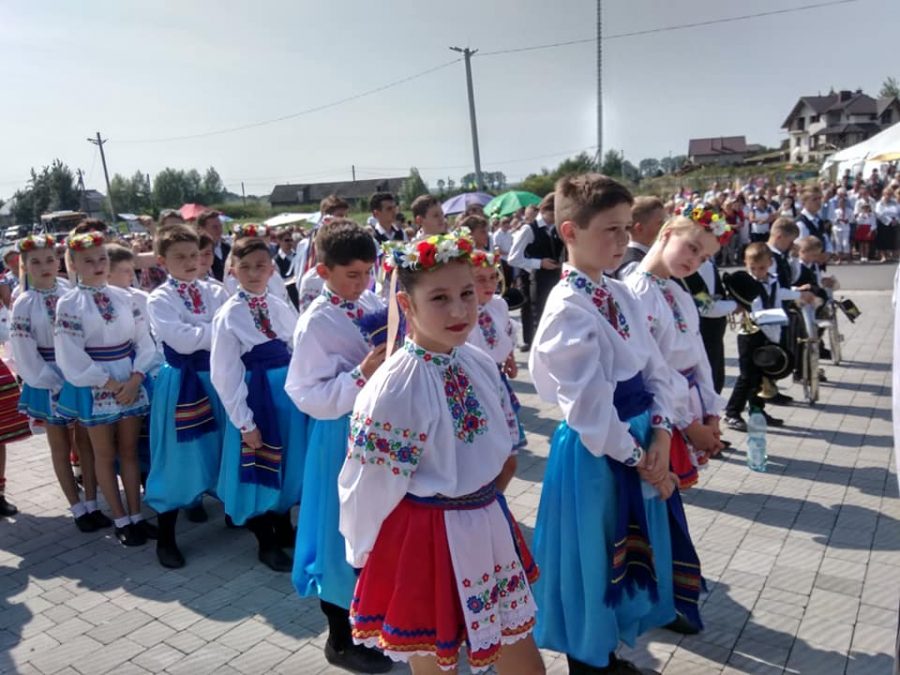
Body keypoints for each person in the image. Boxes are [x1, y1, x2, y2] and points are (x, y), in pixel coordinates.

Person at [338, 229, 544, 675]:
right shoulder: (396, 386)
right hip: (426, 538)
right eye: (439, 298)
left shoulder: (476, 360)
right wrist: (364, 555)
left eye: (467, 293)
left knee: (524, 663)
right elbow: (367, 483)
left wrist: (488, 501)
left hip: (484, 521)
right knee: (438, 665)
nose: (459, 310)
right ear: (406, 305)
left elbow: (501, 448)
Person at [530, 174, 690, 674]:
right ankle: (590, 661)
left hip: (639, 438)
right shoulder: (568, 308)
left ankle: (609, 652)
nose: (622, 242)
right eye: (610, 231)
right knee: (595, 559)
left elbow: (656, 369)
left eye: (626, 230)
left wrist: (662, 432)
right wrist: (642, 459)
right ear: (570, 231)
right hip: (599, 451)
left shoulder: (618, 292)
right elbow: (588, 409)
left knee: (631, 546)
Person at [285, 219, 391, 673]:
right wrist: (362, 373)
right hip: (338, 436)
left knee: (373, 529)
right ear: (323, 272)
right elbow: (306, 394)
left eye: (368, 272)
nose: (363, 282)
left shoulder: (366, 302)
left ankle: (374, 619)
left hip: (373, 431)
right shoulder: (315, 323)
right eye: (352, 274)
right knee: (337, 532)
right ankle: (339, 638)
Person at [54, 230, 158, 546]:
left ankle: (137, 515)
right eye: (89, 261)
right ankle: (120, 518)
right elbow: (70, 354)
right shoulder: (69, 304)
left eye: (101, 259)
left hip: (130, 379)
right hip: (98, 384)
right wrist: (111, 384)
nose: (98, 265)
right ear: (72, 264)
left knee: (128, 451)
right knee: (104, 453)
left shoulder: (125, 297)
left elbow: (144, 340)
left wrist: (136, 378)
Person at [210, 235, 304, 572]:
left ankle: (284, 525)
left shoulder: (278, 304)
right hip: (256, 396)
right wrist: (244, 421)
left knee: (288, 463)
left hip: (286, 398)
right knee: (258, 464)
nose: (254, 273)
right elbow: (224, 373)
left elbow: (295, 344)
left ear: (271, 268)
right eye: (245, 266)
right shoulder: (228, 315)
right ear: (232, 270)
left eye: (261, 265)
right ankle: (265, 541)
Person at [144, 224, 230, 569]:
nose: (190, 262)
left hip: (219, 378)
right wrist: (217, 333)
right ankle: (166, 536)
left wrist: (207, 334)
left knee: (224, 444)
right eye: (180, 256)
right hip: (183, 383)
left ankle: (235, 510)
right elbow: (180, 340)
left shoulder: (216, 290)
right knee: (179, 456)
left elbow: (230, 327)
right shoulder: (159, 297)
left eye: (194, 254)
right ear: (163, 261)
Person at [626, 211, 728, 493]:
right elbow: (651, 367)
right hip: (661, 408)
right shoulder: (637, 292)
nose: (694, 261)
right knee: (658, 492)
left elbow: (699, 356)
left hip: (688, 403)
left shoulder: (678, 292)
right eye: (693, 249)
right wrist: (690, 424)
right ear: (667, 234)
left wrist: (711, 412)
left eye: (704, 258)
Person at [722, 244, 813, 431]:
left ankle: (757, 411)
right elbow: (749, 307)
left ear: (770, 264)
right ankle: (732, 412)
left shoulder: (774, 280)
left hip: (770, 331)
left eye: (761, 268)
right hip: (751, 334)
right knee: (747, 377)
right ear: (746, 264)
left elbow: (780, 293)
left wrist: (799, 294)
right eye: (752, 268)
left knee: (761, 376)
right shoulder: (747, 284)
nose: (757, 272)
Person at [467, 249, 525, 488]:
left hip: (496, 382)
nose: (490, 284)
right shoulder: (462, 310)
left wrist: (509, 357)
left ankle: (495, 505)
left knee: (508, 460)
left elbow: (506, 332)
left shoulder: (499, 305)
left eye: (493, 277)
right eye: (481, 279)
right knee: (486, 459)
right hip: (472, 387)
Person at [508, 193, 563, 351]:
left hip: (557, 277)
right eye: (555, 213)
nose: (556, 217)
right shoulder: (529, 229)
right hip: (538, 278)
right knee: (538, 316)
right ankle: (536, 349)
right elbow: (513, 258)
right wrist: (539, 263)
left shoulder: (557, 228)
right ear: (545, 210)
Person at [615, 196, 666, 280]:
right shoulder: (634, 265)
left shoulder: (650, 255)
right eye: (660, 223)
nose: (665, 227)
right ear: (639, 228)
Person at [795, 187, 832, 255]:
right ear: (804, 202)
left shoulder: (819, 220)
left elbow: (826, 240)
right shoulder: (801, 223)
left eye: (819, 198)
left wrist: (827, 253)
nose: (818, 201)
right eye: (814, 199)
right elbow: (801, 247)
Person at [196, 210, 230, 282]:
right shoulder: (195, 251)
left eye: (220, 226)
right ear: (201, 229)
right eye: (214, 227)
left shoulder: (228, 248)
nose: (219, 230)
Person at [273, 227, 299, 308]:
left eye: (291, 240)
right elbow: (277, 281)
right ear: (279, 241)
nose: (290, 243)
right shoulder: (275, 260)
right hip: (287, 294)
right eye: (286, 240)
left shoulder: (298, 256)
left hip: (299, 291)